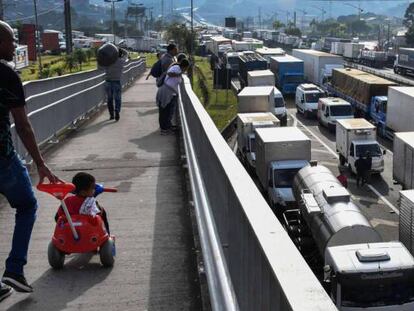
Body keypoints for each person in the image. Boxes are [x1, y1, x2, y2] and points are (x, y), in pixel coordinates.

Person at [0, 21, 60, 299]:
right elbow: (23, 126)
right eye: (11, 40)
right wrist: (40, 162)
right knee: (27, 205)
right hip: (3, 160)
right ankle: (14, 268)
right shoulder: (6, 75)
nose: (15, 45)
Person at [156, 59, 190, 135]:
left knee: (168, 111)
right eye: (186, 68)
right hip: (166, 92)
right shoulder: (176, 68)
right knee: (164, 111)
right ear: (184, 66)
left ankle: (167, 127)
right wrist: (179, 74)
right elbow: (170, 73)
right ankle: (164, 129)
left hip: (170, 92)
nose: (186, 70)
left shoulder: (178, 69)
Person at [104, 47, 128, 121]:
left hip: (108, 82)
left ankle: (111, 115)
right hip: (117, 82)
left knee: (109, 99)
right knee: (118, 99)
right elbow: (126, 54)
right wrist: (120, 48)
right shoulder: (121, 61)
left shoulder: (108, 61)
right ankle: (117, 110)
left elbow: (100, 65)